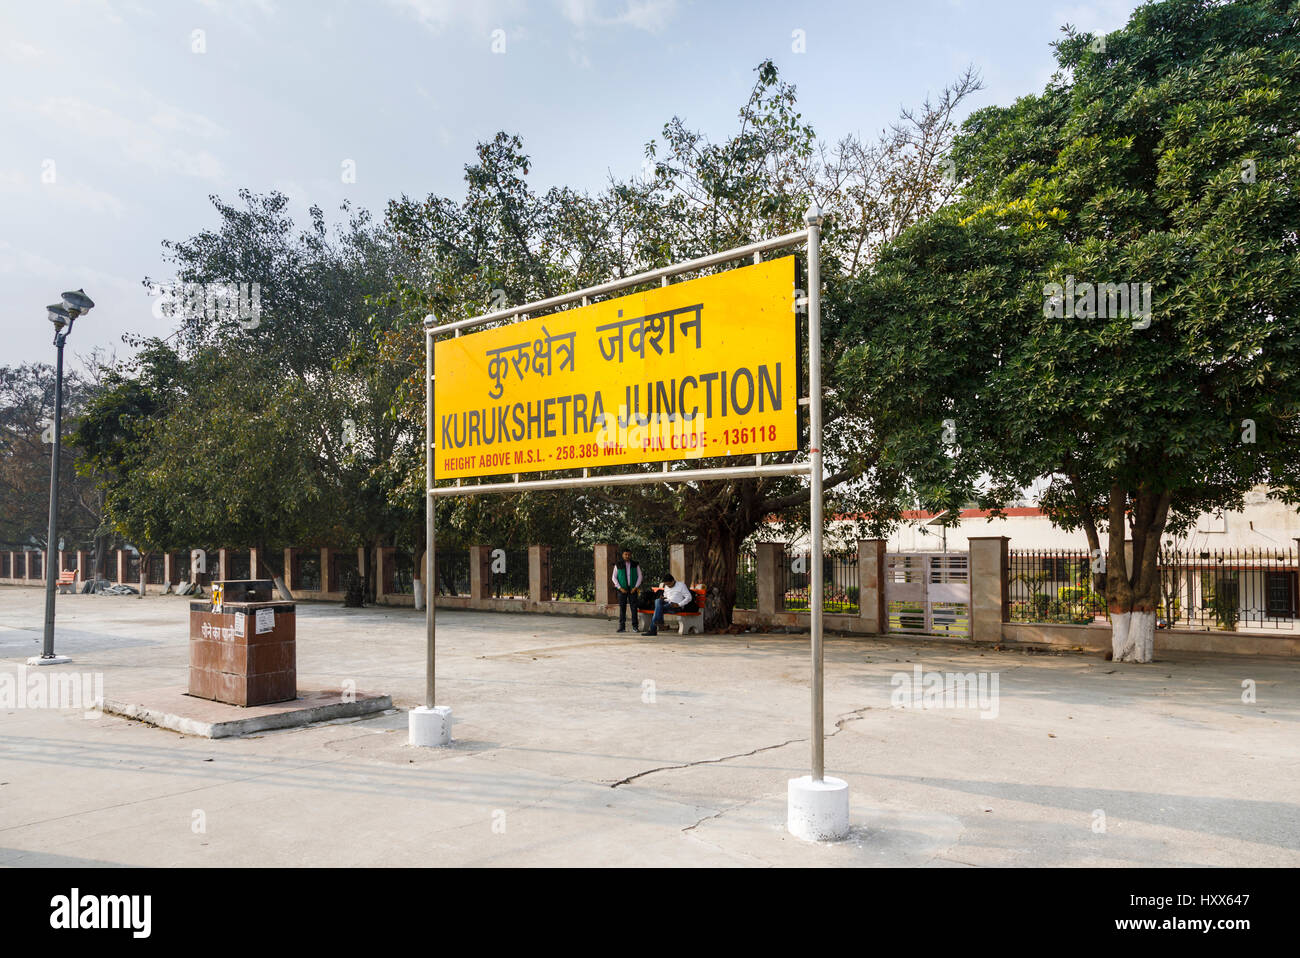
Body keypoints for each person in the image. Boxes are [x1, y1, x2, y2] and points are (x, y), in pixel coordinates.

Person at [611, 548, 643, 633]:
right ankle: (622, 627)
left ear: (631, 555)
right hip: (622, 589)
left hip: (633, 589)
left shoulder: (635, 564)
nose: (627, 556)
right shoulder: (618, 564)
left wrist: (635, 587)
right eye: (625, 554)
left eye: (629, 554)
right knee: (622, 608)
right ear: (623, 555)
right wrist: (620, 588)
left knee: (634, 608)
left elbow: (640, 576)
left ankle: (635, 627)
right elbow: (613, 577)